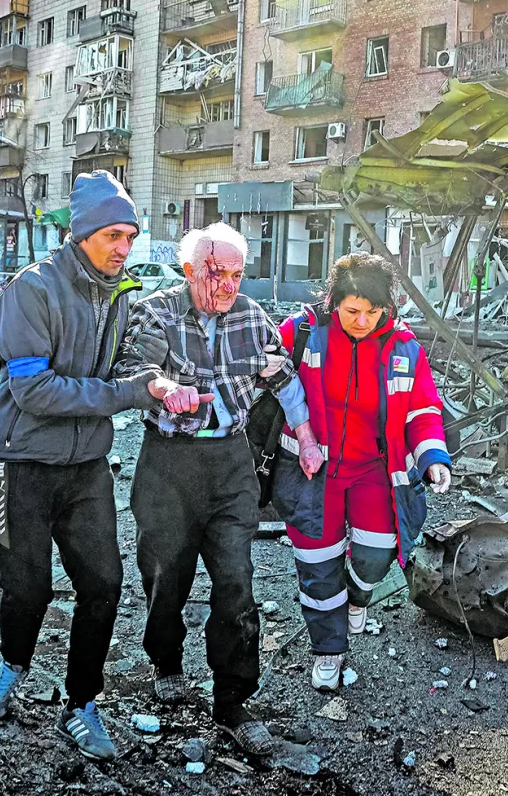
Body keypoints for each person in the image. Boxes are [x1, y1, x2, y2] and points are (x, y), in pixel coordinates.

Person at [0, 171, 167, 762]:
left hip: (86, 465)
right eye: (113, 235)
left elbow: (127, 365)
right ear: (82, 234)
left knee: (104, 585)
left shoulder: (120, 293)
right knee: (26, 588)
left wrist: (155, 377)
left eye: (131, 237)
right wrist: (128, 393)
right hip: (17, 461)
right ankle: (11, 666)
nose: (123, 247)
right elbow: (34, 393)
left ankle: (81, 703)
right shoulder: (32, 289)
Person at [114, 221, 312, 756]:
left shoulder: (252, 314)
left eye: (235, 273)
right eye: (214, 272)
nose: (226, 284)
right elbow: (135, 366)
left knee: (236, 581)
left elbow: (283, 378)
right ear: (188, 269)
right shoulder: (157, 310)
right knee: (163, 574)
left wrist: (309, 439)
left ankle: (232, 701)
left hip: (230, 461)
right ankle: (167, 661)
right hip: (169, 464)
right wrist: (163, 386)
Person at [272, 253, 452, 691]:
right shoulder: (302, 334)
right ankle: (328, 650)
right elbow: (264, 382)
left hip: (375, 470)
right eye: (352, 311)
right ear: (333, 301)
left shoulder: (404, 347)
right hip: (313, 471)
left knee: (375, 554)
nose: (362, 321)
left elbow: (423, 410)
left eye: (373, 312)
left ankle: (357, 596)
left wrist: (433, 458)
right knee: (317, 563)